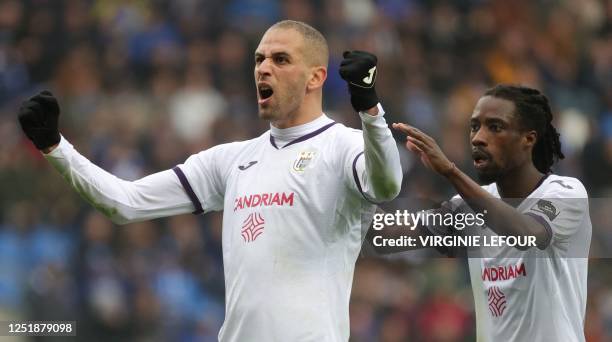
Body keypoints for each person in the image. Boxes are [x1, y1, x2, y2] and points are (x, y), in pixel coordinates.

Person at [17, 20, 402, 341]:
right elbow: (126, 203)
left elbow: (387, 186)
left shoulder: (344, 146)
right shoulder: (230, 160)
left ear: (316, 77)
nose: (263, 68)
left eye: (280, 59)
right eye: (259, 59)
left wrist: (369, 107)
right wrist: (56, 147)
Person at [372, 85, 590, 341]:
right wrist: (345, 187)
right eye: (475, 127)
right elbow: (387, 235)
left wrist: (451, 172)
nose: (478, 138)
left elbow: (525, 234)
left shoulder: (565, 192)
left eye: (495, 127)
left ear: (528, 139)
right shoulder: (466, 207)